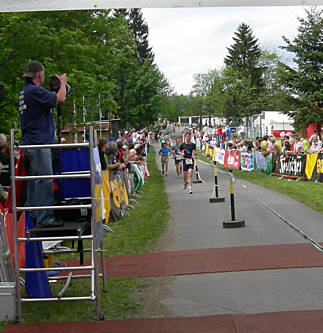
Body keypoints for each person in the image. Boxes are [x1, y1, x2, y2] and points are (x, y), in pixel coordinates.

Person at [18, 60, 67, 228]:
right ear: (39, 74)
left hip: (30, 142)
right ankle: (45, 217)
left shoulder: (24, 92)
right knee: (44, 179)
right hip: (39, 143)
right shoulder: (35, 91)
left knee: (34, 180)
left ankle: (32, 214)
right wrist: (63, 83)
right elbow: (60, 98)